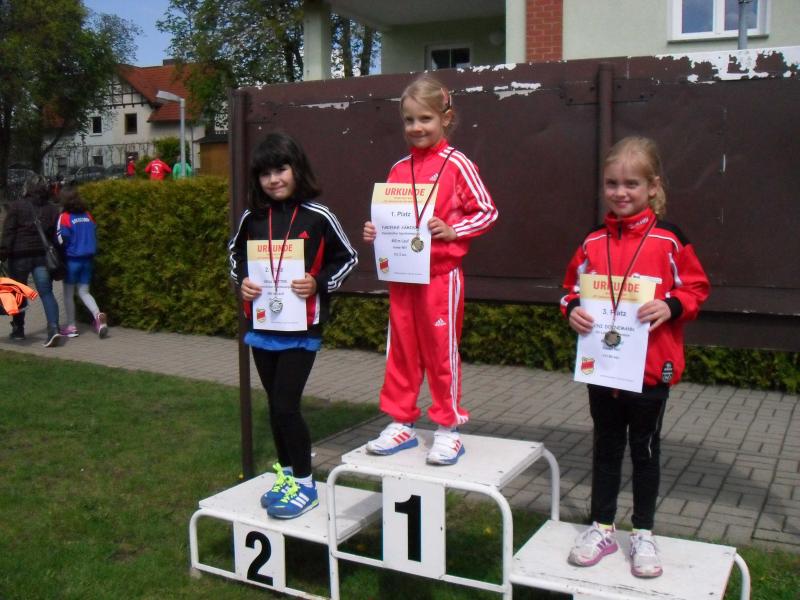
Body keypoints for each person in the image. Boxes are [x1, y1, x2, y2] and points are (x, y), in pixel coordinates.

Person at [560, 136, 710, 578]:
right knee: (605, 448)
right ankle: (602, 527)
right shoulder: (592, 241)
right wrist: (572, 310)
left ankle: (643, 532)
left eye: (631, 184)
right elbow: (570, 290)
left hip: (650, 370)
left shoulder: (669, 239)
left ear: (652, 186)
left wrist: (671, 306)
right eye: (612, 183)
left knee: (644, 452)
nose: (620, 192)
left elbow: (696, 288)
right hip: (603, 369)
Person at [362, 74, 498, 465]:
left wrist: (455, 230)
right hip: (403, 276)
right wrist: (376, 231)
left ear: (445, 118)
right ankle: (401, 421)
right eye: (409, 120)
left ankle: (448, 428)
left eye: (425, 118)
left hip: (440, 277)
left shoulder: (458, 164)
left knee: (440, 352)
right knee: (401, 350)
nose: (416, 127)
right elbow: (391, 218)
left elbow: (487, 211)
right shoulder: (398, 168)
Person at [228, 132, 358, 519]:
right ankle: (286, 476)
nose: (273, 179)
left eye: (281, 169)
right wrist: (243, 281)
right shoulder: (252, 218)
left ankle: (305, 484)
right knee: (275, 406)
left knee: (286, 405)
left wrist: (318, 283)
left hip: (302, 331)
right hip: (263, 326)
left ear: (296, 169)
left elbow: (347, 258)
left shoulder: (318, 216)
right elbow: (235, 256)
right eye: (265, 173)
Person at [0, 176, 64, 346]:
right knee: (46, 292)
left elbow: (9, 232)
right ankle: (54, 328)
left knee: (18, 292)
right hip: (41, 256)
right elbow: (55, 236)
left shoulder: (17, 206)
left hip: (19, 256)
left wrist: (3, 253)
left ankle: (18, 330)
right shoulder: (52, 209)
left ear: (27, 189)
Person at [55, 187, 108, 339]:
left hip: (72, 260)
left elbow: (60, 239)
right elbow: (93, 231)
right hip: (88, 259)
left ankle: (71, 326)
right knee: (84, 292)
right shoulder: (88, 215)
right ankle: (98, 316)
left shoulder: (64, 217)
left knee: (68, 293)